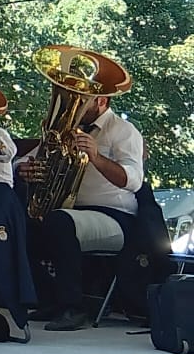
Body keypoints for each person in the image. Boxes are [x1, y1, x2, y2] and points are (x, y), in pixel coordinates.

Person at [27, 88, 148, 332]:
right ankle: (50, 298)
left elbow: (134, 180)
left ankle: (74, 307)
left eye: (81, 100)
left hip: (115, 215)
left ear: (101, 101)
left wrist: (96, 157)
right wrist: (25, 168)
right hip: (74, 212)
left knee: (60, 222)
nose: (73, 104)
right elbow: (29, 158)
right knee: (24, 225)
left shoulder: (123, 130)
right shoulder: (65, 129)